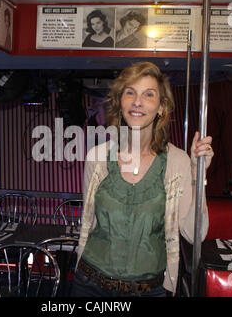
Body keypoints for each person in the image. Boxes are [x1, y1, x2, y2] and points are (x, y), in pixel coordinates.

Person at [72, 61, 214, 297]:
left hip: (149, 290)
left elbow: (195, 234)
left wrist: (198, 175)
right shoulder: (97, 157)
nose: (137, 102)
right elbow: (90, 222)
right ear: (121, 102)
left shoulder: (177, 161)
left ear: (161, 107)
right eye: (130, 93)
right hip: (90, 285)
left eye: (149, 95)